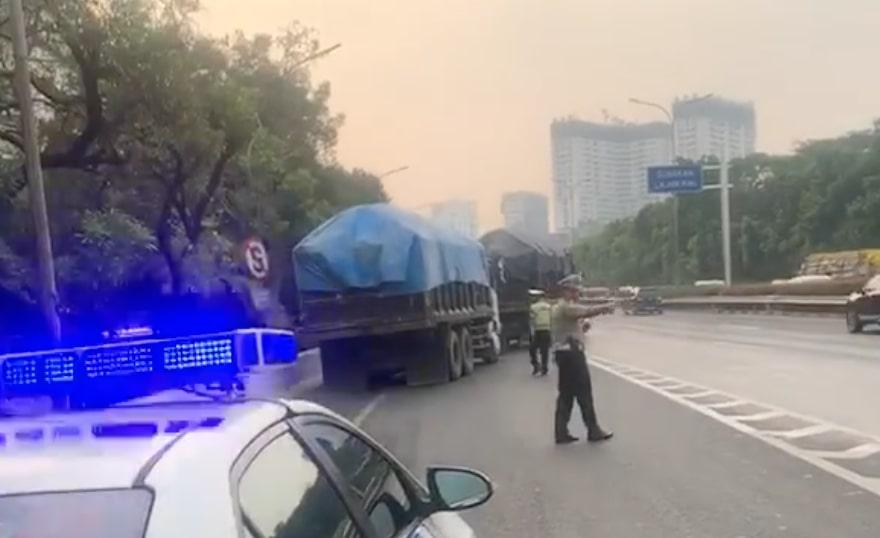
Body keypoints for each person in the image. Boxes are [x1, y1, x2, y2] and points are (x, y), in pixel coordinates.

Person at [552, 274, 614, 444]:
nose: (577, 294)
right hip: (572, 355)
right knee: (584, 392)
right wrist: (604, 307)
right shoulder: (565, 307)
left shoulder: (561, 307)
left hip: (565, 354)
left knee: (566, 394)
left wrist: (582, 328)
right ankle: (593, 430)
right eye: (574, 291)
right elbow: (585, 311)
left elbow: (572, 327)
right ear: (566, 291)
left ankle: (561, 432)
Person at [528, 289, 553, 376]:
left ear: (537, 297)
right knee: (544, 350)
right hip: (547, 330)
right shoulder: (548, 306)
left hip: (538, 331)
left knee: (532, 349)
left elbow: (532, 321)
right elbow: (552, 318)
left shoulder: (533, 307)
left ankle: (536, 366)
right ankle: (544, 368)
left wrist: (531, 333)